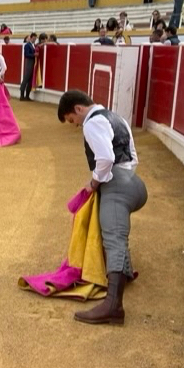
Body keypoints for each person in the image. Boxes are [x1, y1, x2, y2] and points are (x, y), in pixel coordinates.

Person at [57, 90, 147, 325]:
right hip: (133, 183)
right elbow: (133, 156)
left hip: (116, 185)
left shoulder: (92, 123)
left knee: (113, 237)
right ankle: (124, 273)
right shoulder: (116, 117)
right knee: (112, 228)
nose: (75, 125)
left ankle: (113, 305)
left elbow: (106, 158)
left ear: (78, 109)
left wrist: (94, 182)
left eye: (71, 120)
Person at [20, 33, 36, 102]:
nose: (34, 40)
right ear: (31, 38)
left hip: (33, 63)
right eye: (33, 38)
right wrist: (34, 55)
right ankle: (22, 96)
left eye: (35, 39)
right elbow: (26, 54)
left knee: (30, 80)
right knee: (26, 79)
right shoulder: (27, 45)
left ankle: (27, 96)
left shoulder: (34, 45)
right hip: (29, 62)